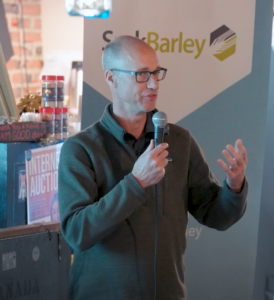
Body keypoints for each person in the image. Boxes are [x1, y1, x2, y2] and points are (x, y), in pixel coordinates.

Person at [58, 35, 248, 300]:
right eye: (141, 75)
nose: (153, 83)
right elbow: (77, 233)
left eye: (157, 73)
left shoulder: (180, 141)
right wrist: (135, 184)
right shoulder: (81, 149)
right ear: (111, 77)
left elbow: (216, 215)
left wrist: (234, 187)